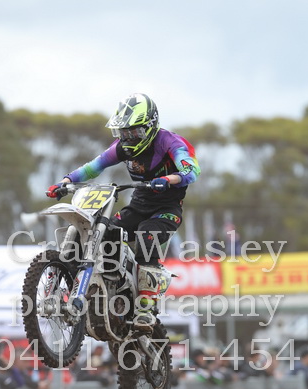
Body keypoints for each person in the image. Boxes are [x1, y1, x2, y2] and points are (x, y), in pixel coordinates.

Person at [47, 92, 201, 330]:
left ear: (150, 126)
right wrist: (65, 182)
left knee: (147, 234)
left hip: (166, 209)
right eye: (124, 132)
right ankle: (103, 285)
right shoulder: (122, 148)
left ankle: (146, 305)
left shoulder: (170, 142)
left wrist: (169, 179)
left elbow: (192, 171)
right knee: (104, 231)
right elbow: (93, 167)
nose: (128, 138)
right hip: (138, 204)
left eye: (134, 132)